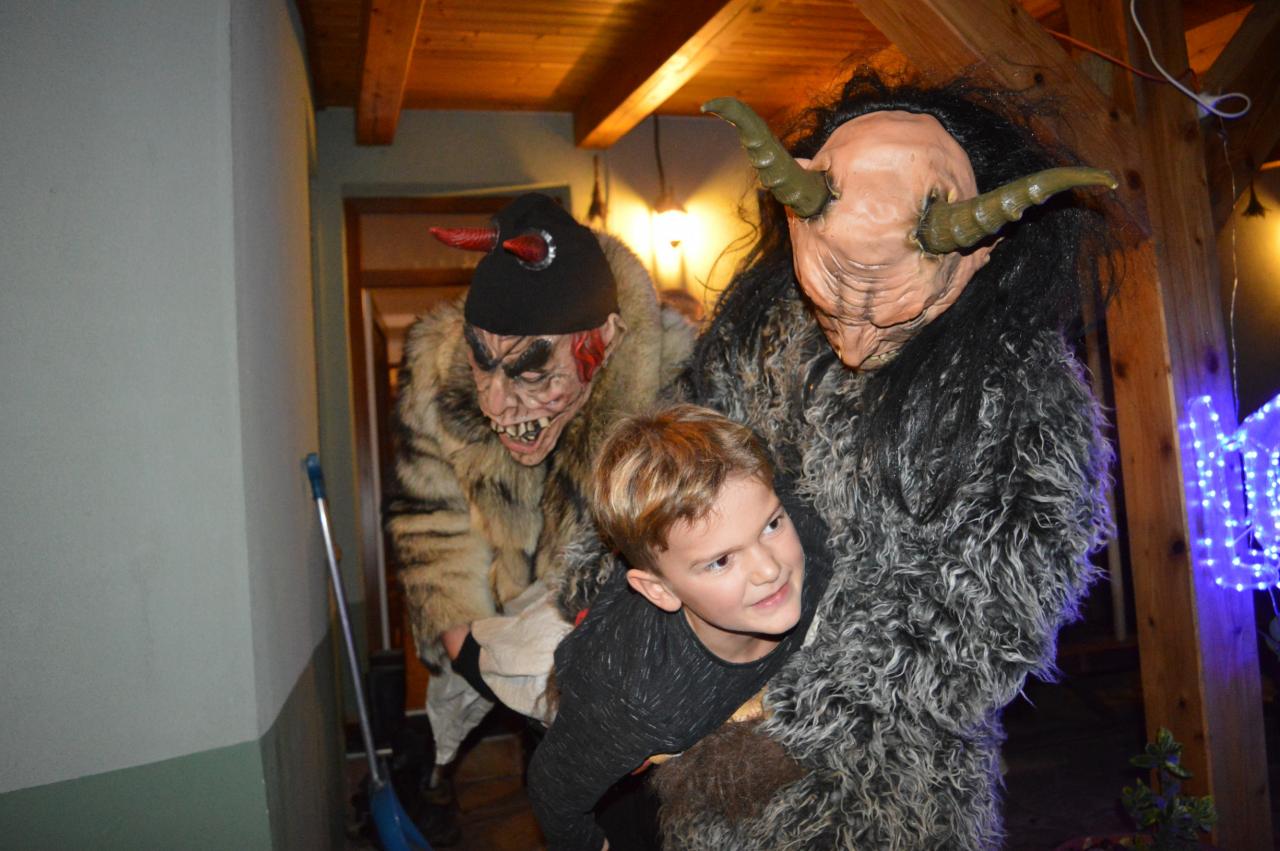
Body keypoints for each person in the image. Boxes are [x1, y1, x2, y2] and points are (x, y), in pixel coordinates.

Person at [556, 71, 1117, 849]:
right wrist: (630, 636)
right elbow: (659, 487)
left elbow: (997, 613)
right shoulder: (757, 336)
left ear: (978, 257)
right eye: (832, 294)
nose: (852, 336)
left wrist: (778, 703)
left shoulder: (1018, 387)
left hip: (888, 793)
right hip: (714, 788)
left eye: (887, 308)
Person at [386, 193, 695, 817]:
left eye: (531, 374)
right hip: (513, 661)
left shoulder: (679, 386)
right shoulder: (435, 378)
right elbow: (429, 520)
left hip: (652, 686)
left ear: (606, 341)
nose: (496, 405)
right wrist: (467, 647)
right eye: (483, 368)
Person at [527, 404, 832, 851]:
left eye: (770, 525)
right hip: (598, 667)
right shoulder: (641, 703)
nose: (770, 569)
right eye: (721, 561)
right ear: (660, 591)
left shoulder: (807, 534)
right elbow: (552, 793)